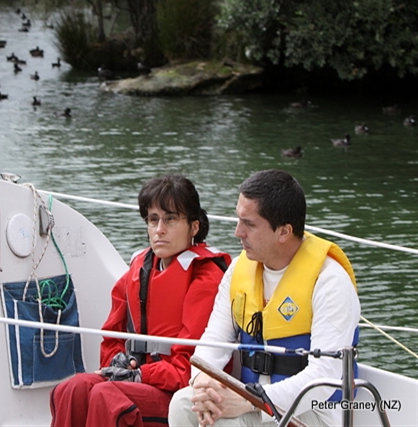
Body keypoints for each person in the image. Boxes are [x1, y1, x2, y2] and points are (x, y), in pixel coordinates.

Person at [168, 169, 360, 427]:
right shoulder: (238, 270)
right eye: (239, 220)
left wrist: (251, 400)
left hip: (312, 412)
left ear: (283, 231)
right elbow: (214, 341)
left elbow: (324, 377)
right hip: (254, 398)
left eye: (249, 224)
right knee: (183, 404)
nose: (238, 232)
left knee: (227, 424)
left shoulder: (330, 282)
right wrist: (203, 384)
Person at [50, 174, 231, 427]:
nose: (159, 230)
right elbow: (112, 337)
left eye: (170, 219)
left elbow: (189, 368)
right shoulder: (139, 268)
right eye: (153, 220)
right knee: (72, 389)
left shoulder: (205, 277)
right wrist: (117, 362)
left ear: (194, 226)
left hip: (179, 393)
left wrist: (139, 374)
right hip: (142, 379)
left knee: (106, 397)